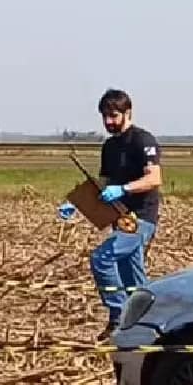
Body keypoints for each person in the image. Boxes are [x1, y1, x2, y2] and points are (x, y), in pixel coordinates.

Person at [58, 88, 162, 337]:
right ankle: (149, 325)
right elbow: (103, 184)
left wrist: (123, 188)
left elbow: (154, 179)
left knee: (102, 259)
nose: (108, 122)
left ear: (128, 113)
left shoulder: (143, 140)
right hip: (119, 218)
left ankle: (118, 317)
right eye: (105, 116)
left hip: (140, 219)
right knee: (133, 279)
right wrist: (77, 204)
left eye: (114, 116)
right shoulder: (109, 146)